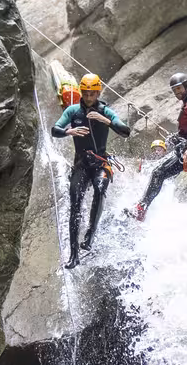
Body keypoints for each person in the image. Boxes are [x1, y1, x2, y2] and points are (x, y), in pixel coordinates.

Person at [51, 73, 131, 266]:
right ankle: (74, 255)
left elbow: (126, 131)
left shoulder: (106, 111)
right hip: (81, 164)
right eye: (86, 93)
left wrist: (106, 121)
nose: (88, 98)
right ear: (81, 92)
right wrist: (68, 131)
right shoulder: (72, 111)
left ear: (98, 92)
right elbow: (55, 129)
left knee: (100, 188)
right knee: (75, 202)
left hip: (101, 163)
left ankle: (90, 235)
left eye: (92, 94)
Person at [130, 72, 187, 221]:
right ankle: (143, 207)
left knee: (158, 173)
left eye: (178, 88)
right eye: (174, 90)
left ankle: (142, 209)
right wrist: (177, 137)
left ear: (186, 86)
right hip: (185, 149)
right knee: (158, 173)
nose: (177, 92)